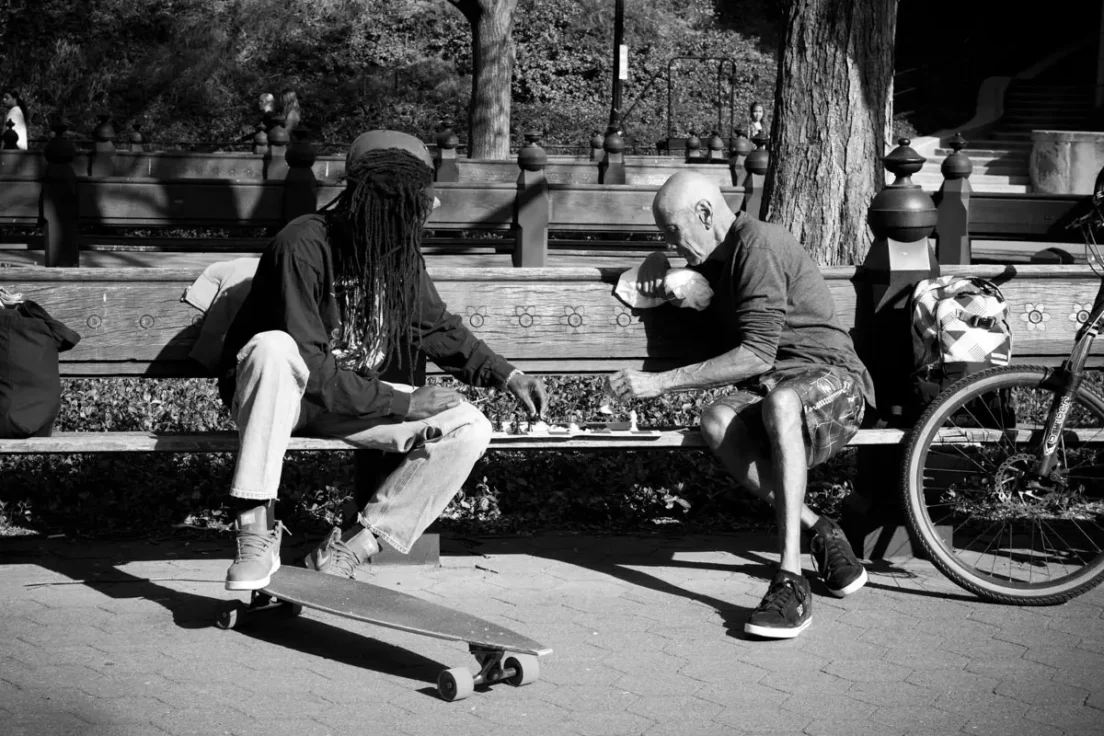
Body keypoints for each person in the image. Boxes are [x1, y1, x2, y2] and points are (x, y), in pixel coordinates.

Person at [218, 129, 548, 591]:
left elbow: (433, 326)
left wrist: (507, 375)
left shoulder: (396, 250)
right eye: (422, 197)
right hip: (281, 402)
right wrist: (402, 404)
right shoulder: (302, 245)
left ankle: (350, 548)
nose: (433, 205)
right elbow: (308, 365)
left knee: (469, 426)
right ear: (384, 202)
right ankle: (254, 527)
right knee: (272, 347)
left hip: (348, 402)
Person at [608, 170, 874, 639]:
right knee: (716, 421)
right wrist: (680, 286)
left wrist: (659, 383)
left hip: (835, 382)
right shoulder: (716, 257)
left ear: (705, 213)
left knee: (783, 403)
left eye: (674, 230)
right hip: (775, 385)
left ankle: (790, 579)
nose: (671, 243)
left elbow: (757, 354)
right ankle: (820, 529)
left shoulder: (759, 245)